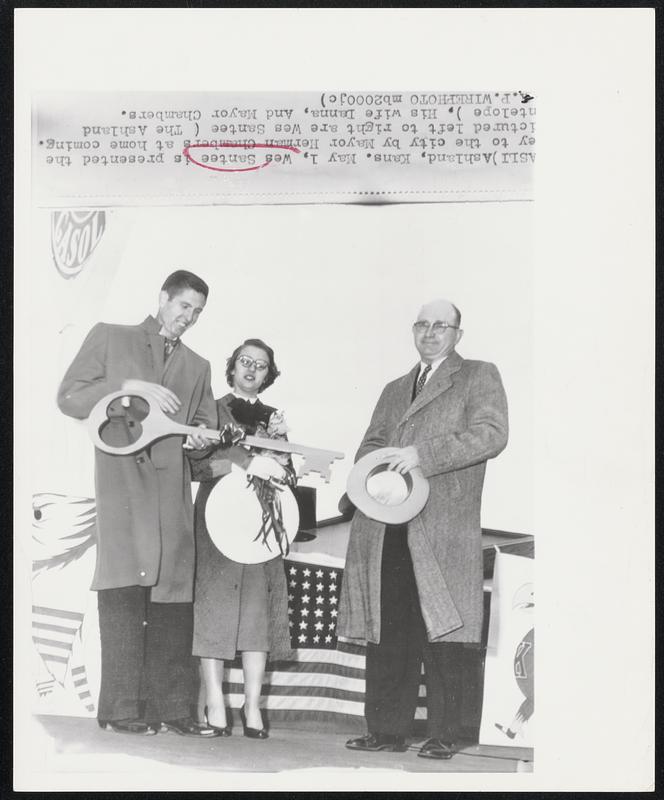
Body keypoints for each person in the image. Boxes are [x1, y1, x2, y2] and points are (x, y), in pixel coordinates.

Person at [339, 298, 509, 759]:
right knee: (389, 629)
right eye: (422, 325)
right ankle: (387, 730)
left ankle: (445, 734)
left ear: (458, 333)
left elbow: (492, 434)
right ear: (413, 331)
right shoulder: (395, 387)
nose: (430, 332)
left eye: (440, 325)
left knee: (445, 632)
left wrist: (422, 456)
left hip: (442, 528)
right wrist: (375, 473)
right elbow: (372, 442)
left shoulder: (478, 374)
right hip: (388, 526)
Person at [57, 270, 220, 737]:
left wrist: (200, 444)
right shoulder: (111, 337)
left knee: (172, 599)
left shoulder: (199, 366)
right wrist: (125, 392)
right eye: (183, 306)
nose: (188, 318)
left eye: (197, 312)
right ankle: (121, 708)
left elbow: (203, 429)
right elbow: (69, 397)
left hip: (171, 499)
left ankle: (172, 710)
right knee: (125, 594)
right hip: (123, 491)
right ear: (163, 298)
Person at [190, 338, 293, 739]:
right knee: (213, 610)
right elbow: (196, 466)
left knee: (256, 615)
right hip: (217, 518)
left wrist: (279, 464)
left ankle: (252, 707)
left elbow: (287, 473)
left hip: (259, 523)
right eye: (245, 362)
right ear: (231, 367)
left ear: (269, 375)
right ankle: (215, 704)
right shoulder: (210, 408)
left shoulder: (276, 417)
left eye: (261, 366)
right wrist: (238, 466)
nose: (251, 370)